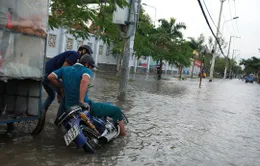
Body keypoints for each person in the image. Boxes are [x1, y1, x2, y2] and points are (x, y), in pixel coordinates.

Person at [48, 54, 126, 136]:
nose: (91, 69)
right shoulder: (86, 70)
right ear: (86, 64)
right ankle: (123, 136)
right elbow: (84, 81)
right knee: (116, 110)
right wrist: (81, 101)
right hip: (85, 107)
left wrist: (62, 86)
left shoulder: (65, 69)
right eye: (91, 67)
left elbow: (50, 77)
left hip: (69, 108)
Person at [42, 45, 93, 114]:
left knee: (51, 96)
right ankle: (60, 117)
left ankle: (42, 112)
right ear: (83, 51)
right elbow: (64, 70)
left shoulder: (73, 54)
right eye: (87, 54)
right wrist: (62, 86)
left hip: (43, 73)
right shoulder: (76, 55)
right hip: (49, 74)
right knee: (65, 93)